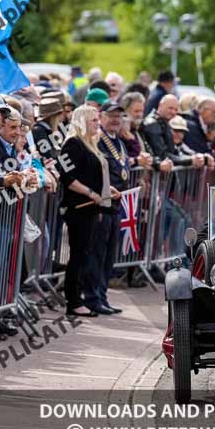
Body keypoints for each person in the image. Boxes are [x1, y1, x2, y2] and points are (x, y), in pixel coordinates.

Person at [58, 105, 121, 317]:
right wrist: (90, 192)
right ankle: (73, 301)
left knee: (86, 254)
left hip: (92, 208)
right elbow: (67, 177)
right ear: (83, 121)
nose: (98, 123)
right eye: (94, 120)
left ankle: (82, 297)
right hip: (78, 208)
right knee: (78, 255)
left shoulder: (91, 144)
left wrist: (105, 190)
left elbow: (94, 174)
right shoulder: (72, 144)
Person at [96, 102, 129, 314]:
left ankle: (103, 295)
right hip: (102, 204)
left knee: (109, 255)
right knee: (98, 254)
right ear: (101, 116)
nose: (116, 119)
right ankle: (94, 296)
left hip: (116, 204)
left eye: (119, 115)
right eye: (111, 115)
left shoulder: (120, 142)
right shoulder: (98, 140)